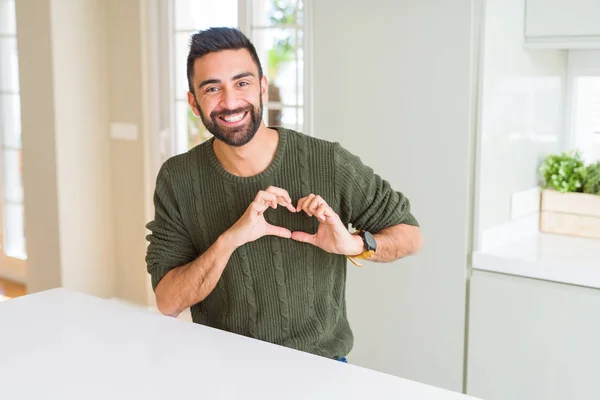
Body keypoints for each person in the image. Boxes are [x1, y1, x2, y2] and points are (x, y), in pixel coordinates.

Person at [145, 27, 423, 361]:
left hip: (321, 370)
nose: (230, 101)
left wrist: (354, 245)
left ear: (262, 87)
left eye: (242, 83)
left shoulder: (327, 162)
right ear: (194, 102)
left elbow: (409, 235)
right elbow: (168, 300)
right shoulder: (178, 178)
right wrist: (230, 239)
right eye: (212, 88)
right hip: (221, 371)